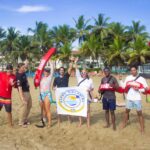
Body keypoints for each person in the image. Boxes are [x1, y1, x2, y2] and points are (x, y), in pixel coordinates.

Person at [120, 66, 148, 134]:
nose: (133, 71)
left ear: (137, 70)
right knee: (126, 111)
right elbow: (123, 86)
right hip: (129, 98)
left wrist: (138, 89)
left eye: (134, 70)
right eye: (131, 70)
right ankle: (124, 124)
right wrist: (120, 80)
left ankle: (142, 129)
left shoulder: (141, 79)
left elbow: (146, 88)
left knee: (139, 113)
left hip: (137, 98)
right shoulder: (128, 77)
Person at [75, 58, 94, 128]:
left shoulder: (90, 80)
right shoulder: (79, 78)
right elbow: (76, 70)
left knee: (88, 111)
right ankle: (80, 122)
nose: (83, 74)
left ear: (87, 73)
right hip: (79, 97)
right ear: (81, 74)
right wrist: (75, 62)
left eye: (85, 73)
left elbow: (92, 89)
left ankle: (88, 123)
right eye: (82, 73)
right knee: (80, 110)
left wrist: (92, 96)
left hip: (87, 97)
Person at [38, 61, 54, 128]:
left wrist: (50, 62)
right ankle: (44, 120)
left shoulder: (50, 77)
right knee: (43, 109)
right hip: (41, 94)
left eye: (47, 71)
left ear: (49, 72)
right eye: (45, 71)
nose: (46, 72)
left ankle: (50, 123)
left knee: (47, 109)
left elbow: (52, 69)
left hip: (47, 94)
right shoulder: (41, 78)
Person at [16, 63, 32, 128]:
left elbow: (26, 79)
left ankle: (25, 119)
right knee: (23, 108)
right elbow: (19, 88)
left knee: (29, 106)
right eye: (22, 67)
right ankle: (21, 122)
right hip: (23, 93)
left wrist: (28, 83)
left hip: (28, 92)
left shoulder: (23, 73)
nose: (24, 68)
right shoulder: (18, 76)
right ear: (19, 68)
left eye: (24, 67)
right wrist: (22, 98)